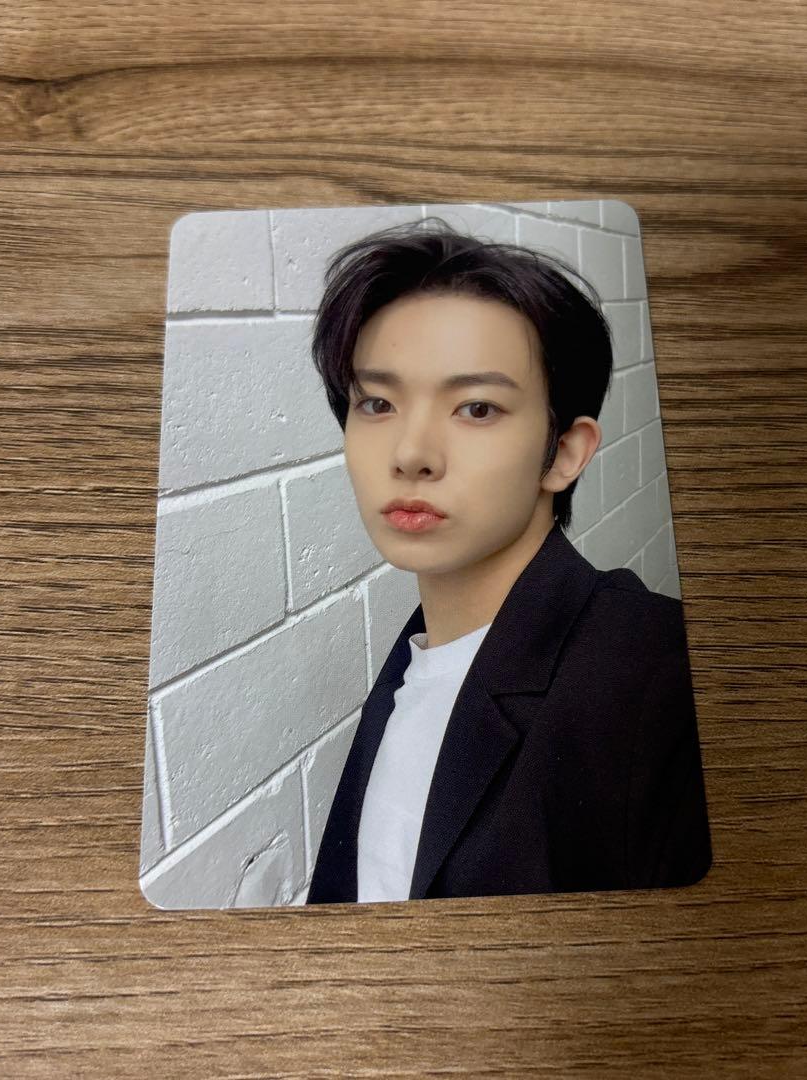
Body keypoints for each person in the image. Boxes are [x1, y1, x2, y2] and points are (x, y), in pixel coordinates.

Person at [304, 218, 711, 904]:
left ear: (565, 452)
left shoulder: (663, 680)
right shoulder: (414, 664)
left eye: (476, 408)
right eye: (377, 402)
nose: (411, 453)